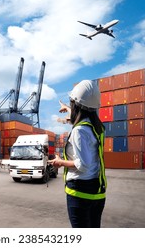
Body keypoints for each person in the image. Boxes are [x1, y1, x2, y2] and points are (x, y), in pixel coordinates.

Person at [49, 80, 107, 228]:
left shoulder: (79, 131)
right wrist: (67, 108)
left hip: (80, 194)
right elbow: (82, 117)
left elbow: (83, 165)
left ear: (76, 104)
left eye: (72, 102)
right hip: (97, 192)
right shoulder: (96, 126)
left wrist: (60, 162)